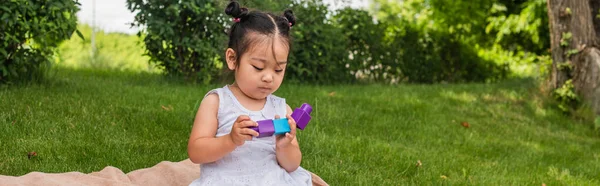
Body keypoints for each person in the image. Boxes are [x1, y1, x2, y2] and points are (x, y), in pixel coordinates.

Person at [187, 1, 314, 185]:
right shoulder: (217, 102)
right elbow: (196, 152)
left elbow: (292, 165)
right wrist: (230, 140)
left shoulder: (280, 108)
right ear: (232, 59)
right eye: (258, 67)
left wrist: (284, 146)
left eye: (278, 70)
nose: (269, 77)